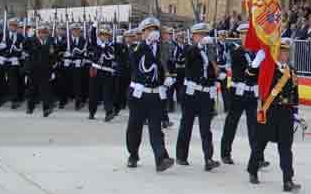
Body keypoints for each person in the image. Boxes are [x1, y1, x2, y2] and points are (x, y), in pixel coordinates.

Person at [249, 37, 302, 191]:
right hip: (270, 111)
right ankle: (253, 170)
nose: (285, 55)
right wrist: (256, 63)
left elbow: (295, 92)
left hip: (286, 113)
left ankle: (288, 180)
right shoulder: (268, 68)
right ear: (276, 52)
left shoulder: (291, 70)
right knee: (260, 144)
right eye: (282, 51)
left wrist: (296, 112)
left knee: (286, 147)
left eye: (286, 52)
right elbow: (251, 77)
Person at [125, 17, 176, 172]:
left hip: (155, 95)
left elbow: (168, 65)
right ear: (142, 33)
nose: (152, 33)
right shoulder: (136, 47)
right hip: (139, 95)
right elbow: (134, 62)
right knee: (135, 127)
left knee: (156, 128)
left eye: (155, 30)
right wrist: (146, 43)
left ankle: (161, 159)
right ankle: (133, 155)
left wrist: (168, 77)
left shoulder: (163, 48)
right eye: (149, 30)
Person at [174, 23, 221, 171]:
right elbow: (188, 58)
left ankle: (208, 158)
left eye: (205, 35)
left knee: (205, 128)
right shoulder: (190, 49)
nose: (203, 37)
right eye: (200, 35)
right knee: (186, 125)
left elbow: (214, 70)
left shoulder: (210, 51)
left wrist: (218, 73)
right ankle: (181, 156)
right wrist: (199, 47)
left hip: (206, 94)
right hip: (191, 93)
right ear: (193, 36)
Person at [220, 23, 260, 166]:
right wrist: (257, 61)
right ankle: (225, 153)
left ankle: (257, 157)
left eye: (249, 35)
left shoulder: (256, 53)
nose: (246, 38)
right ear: (239, 36)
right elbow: (246, 72)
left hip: (252, 93)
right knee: (231, 123)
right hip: (237, 93)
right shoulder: (237, 52)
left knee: (254, 126)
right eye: (243, 35)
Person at [25, 23, 59, 117]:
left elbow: (54, 55)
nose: (43, 35)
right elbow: (25, 47)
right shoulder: (32, 40)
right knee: (32, 89)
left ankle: (46, 109)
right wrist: (28, 36)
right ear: (38, 33)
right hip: (33, 69)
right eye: (41, 33)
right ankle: (30, 107)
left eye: (45, 33)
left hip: (46, 69)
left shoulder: (50, 41)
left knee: (46, 90)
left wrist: (53, 69)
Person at [88, 25, 117, 122]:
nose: (103, 37)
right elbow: (92, 37)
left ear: (109, 36)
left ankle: (109, 112)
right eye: (101, 35)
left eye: (105, 35)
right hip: (95, 70)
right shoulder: (96, 44)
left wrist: (105, 47)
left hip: (106, 71)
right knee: (93, 93)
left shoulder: (112, 46)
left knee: (106, 93)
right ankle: (92, 112)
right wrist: (94, 27)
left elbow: (110, 56)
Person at [0, 19, 25, 110]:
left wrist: (18, 52)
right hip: (3, 61)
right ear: (8, 26)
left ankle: (15, 100)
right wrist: (0, 49)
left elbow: (23, 50)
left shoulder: (20, 36)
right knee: (2, 80)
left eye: (14, 25)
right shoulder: (3, 35)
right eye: (11, 25)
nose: (13, 27)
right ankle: (1, 98)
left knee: (13, 81)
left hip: (14, 61)